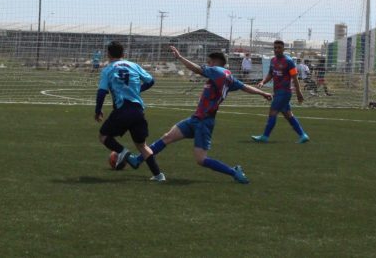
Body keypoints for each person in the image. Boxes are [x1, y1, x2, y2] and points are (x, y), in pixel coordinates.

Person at [126, 46, 272, 184]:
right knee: (167, 137)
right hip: (196, 118)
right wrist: (263, 93)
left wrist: (180, 57)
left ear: (215, 62)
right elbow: (245, 87)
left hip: (204, 122)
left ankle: (234, 171)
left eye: (209, 62)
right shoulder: (229, 77)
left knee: (201, 159)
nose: (207, 65)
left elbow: (196, 69)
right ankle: (137, 160)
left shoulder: (216, 71)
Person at [95, 41, 164, 181]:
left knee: (103, 136)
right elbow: (150, 81)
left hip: (122, 109)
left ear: (108, 54)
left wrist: (98, 110)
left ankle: (124, 152)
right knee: (142, 145)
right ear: (123, 54)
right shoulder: (133, 65)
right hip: (138, 110)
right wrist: (138, 90)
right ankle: (159, 175)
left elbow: (102, 92)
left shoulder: (108, 69)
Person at [251, 40, 310, 143]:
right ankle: (303, 135)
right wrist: (263, 82)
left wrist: (299, 92)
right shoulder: (273, 60)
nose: (277, 49)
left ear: (283, 49)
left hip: (284, 92)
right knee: (288, 115)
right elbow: (271, 74)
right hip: (278, 92)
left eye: (279, 47)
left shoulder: (289, 61)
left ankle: (265, 136)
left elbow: (295, 78)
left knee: (273, 112)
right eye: (275, 48)